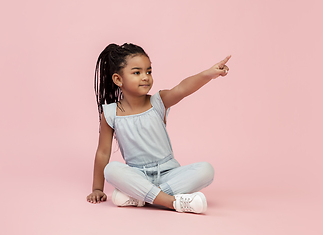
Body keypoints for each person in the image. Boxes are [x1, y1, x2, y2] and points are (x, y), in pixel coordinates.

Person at [86, 43, 231, 214]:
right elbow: (103, 152)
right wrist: (97, 188)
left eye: (148, 71)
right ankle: (172, 202)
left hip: (169, 173)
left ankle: (141, 196)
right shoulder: (110, 113)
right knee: (111, 170)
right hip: (137, 174)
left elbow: (183, 88)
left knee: (207, 170)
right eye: (137, 72)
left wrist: (209, 74)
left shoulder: (158, 102)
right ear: (118, 79)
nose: (145, 77)